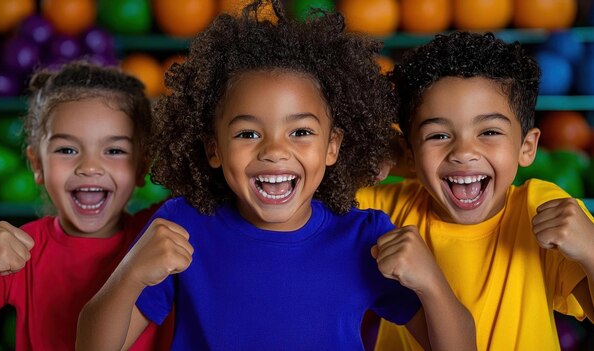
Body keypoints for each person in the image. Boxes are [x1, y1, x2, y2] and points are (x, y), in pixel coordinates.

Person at [76, 1, 476, 350]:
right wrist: (128, 276)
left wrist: (432, 284)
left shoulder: (364, 238)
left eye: (300, 132)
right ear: (214, 148)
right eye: (248, 133)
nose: (274, 151)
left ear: (332, 146)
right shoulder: (183, 227)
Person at [356, 31, 594, 351]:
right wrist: (390, 158)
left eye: (489, 131)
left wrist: (591, 248)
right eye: (438, 136)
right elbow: (297, 194)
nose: (463, 152)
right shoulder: (382, 212)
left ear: (527, 147)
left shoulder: (539, 208)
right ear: (410, 151)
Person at [0, 61, 172, 350]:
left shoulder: (160, 234)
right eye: (67, 150)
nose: (90, 167)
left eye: (114, 150)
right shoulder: (22, 251)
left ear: (142, 167)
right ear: (37, 165)